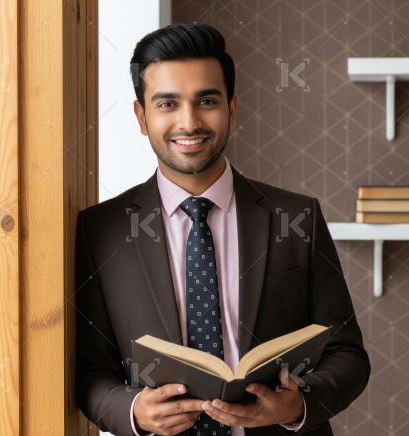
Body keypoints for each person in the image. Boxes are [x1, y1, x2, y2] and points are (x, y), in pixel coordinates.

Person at [74, 23, 370, 436]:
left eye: (206, 101)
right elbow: (88, 371)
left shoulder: (297, 217)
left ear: (231, 108)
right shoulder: (98, 230)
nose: (189, 122)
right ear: (142, 116)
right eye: (167, 104)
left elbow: (348, 354)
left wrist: (296, 404)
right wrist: (134, 412)